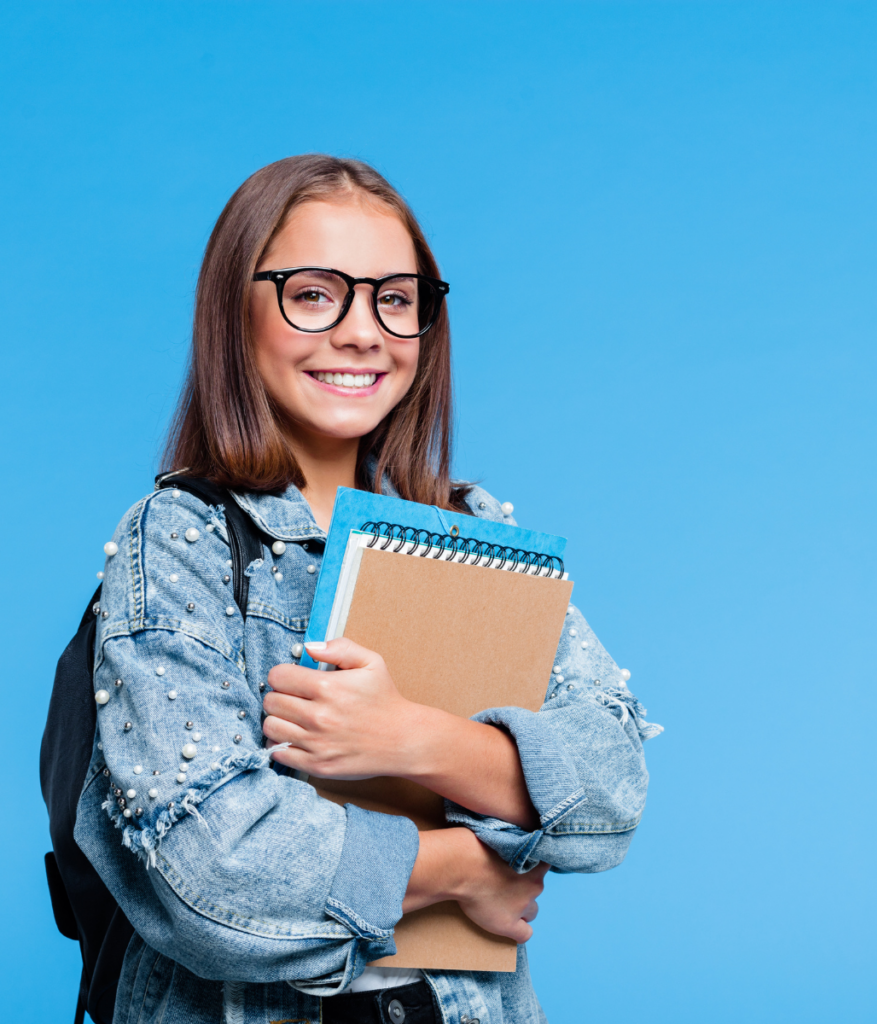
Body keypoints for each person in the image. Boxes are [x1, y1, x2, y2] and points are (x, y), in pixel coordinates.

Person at [76, 154, 662, 1024]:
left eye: (395, 298)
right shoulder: (180, 539)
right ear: (235, 314)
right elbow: (210, 871)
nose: (363, 332)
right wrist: (463, 870)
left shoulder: (473, 531)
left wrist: (412, 740)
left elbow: (611, 794)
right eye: (314, 294)